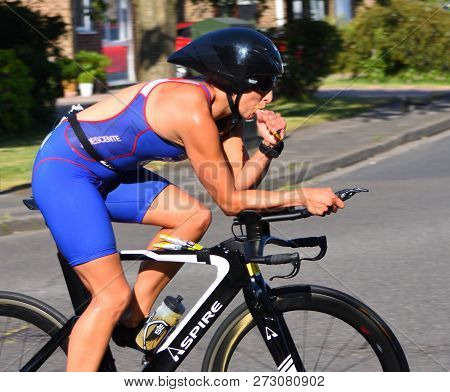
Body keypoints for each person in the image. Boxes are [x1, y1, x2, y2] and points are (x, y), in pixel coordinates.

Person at [32, 28, 344, 371]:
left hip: (107, 173)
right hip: (66, 172)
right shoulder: (191, 110)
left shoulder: (229, 117)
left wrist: (268, 149)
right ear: (235, 83)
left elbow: (238, 185)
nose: (269, 97)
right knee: (111, 296)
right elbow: (231, 202)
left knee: (193, 216)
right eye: (263, 85)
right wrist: (302, 193)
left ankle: (132, 321)